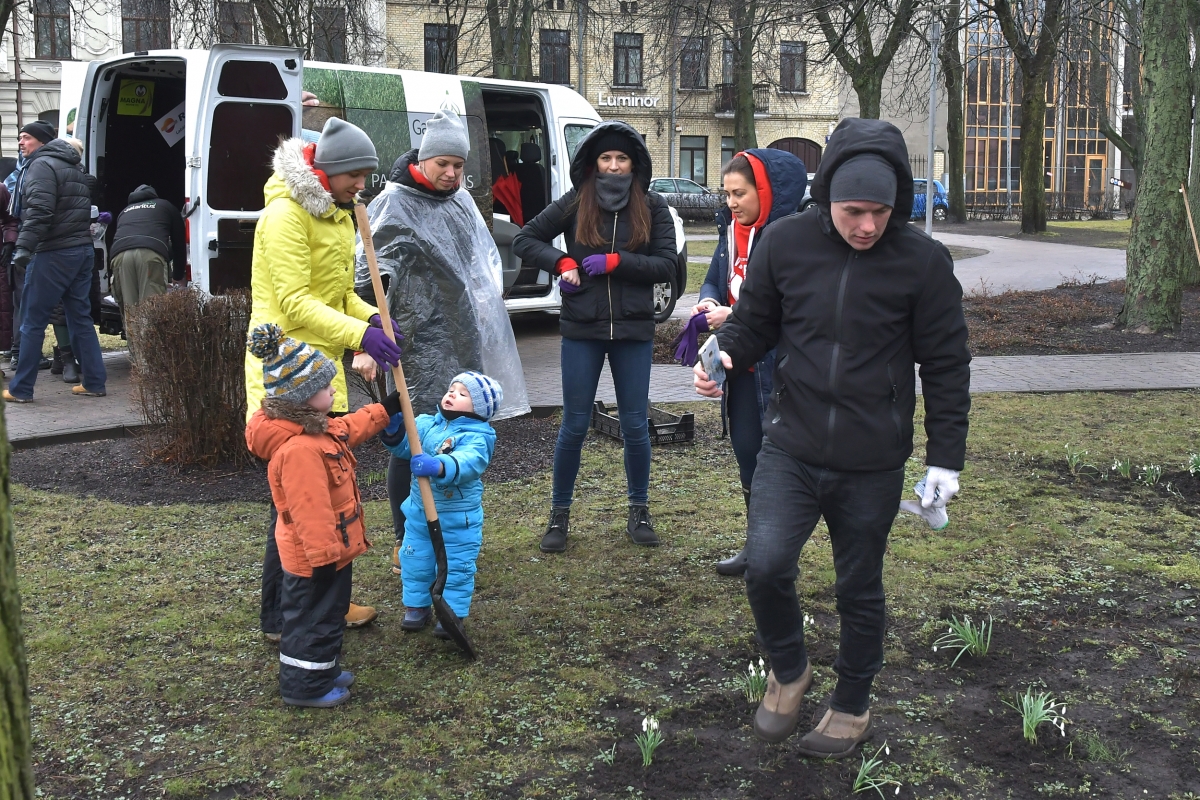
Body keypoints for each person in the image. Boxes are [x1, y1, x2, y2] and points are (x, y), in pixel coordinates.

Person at [694, 118, 971, 756]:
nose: (867, 226)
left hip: (872, 459)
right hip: (789, 445)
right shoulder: (786, 243)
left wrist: (945, 460)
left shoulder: (923, 262)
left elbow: (947, 365)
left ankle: (851, 703)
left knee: (857, 587)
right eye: (853, 212)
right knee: (765, 567)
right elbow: (755, 324)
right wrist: (725, 354)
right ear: (828, 200)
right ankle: (789, 670)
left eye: (881, 212)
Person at [354, 107, 529, 576]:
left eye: (458, 165)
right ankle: (406, 540)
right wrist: (368, 340)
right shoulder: (393, 204)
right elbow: (368, 278)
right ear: (423, 160)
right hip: (412, 342)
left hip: (460, 337)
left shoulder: (462, 201)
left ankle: (447, 531)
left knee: (459, 435)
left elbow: (478, 265)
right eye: (443, 164)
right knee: (414, 440)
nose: (451, 173)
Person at [246, 116, 402, 641]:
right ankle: (284, 616)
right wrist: (361, 336)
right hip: (285, 374)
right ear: (328, 171)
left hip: (319, 372)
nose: (362, 185)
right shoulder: (285, 216)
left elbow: (338, 296)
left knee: (327, 491)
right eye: (355, 175)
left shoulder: (338, 214)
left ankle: (323, 600)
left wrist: (373, 319)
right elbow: (294, 301)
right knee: (296, 501)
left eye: (366, 176)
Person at [513, 121, 677, 553]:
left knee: (635, 424)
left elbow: (666, 265)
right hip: (582, 329)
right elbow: (526, 239)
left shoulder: (653, 206)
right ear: (593, 163)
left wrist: (618, 262)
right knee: (574, 425)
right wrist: (561, 262)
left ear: (635, 164)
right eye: (606, 158)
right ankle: (559, 514)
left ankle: (639, 510)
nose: (614, 166)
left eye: (622, 158)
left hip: (633, 331)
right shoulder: (576, 200)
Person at [244, 323, 401, 708]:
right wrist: (323, 557)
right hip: (317, 558)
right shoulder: (300, 451)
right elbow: (309, 511)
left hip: (331, 552)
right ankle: (305, 686)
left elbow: (349, 428)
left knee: (328, 615)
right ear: (301, 398)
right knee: (311, 620)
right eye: (324, 387)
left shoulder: (316, 429)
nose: (333, 391)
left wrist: (385, 410)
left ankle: (323, 670)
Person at [691, 148, 807, 577]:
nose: (731, 203)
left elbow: (792, 308)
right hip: (738, 364)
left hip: (778, 368)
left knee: (775, 462)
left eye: (739, 193)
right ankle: (757, 546)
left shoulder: (791, 238)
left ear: (765, 190)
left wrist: (735, 316)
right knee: (745, 451)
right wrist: (708, 300)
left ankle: (777, 554)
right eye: (726, 194)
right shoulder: (731, 231)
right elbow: (715, 278)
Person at [381, 371, 500, 638]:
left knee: (456, 567)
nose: (452, 395)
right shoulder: (427, 424)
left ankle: (451, 613)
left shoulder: (479, 436)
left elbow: (470, 462)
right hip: (419, 514)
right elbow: (405, 447)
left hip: (457, 520)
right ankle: (417, 605)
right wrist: (394, 431)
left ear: (479, 408)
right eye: (451, 390)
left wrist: (439, 466)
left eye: (462, 394)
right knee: (414, 559)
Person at [4, 120, 107, 403]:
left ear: (41, 141)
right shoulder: (74, 166)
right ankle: (95, 383)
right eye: (20, 138)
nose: (21, 143)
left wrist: (24, 246)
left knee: (32, 321)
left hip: (53, 252)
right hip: (81, 251)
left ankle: (21, 389)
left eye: (26, 138)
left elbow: (40, 210)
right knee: (80, 319)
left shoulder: (41, 165)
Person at [109, 183, 187, 328]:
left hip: (120, 256)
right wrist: (177, 275)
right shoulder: (166, 206)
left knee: (130, 312)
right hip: (150, 254)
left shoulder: (125, 211)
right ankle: (149, 343)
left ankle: (134, 343)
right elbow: (179, 243)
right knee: (150, 311)